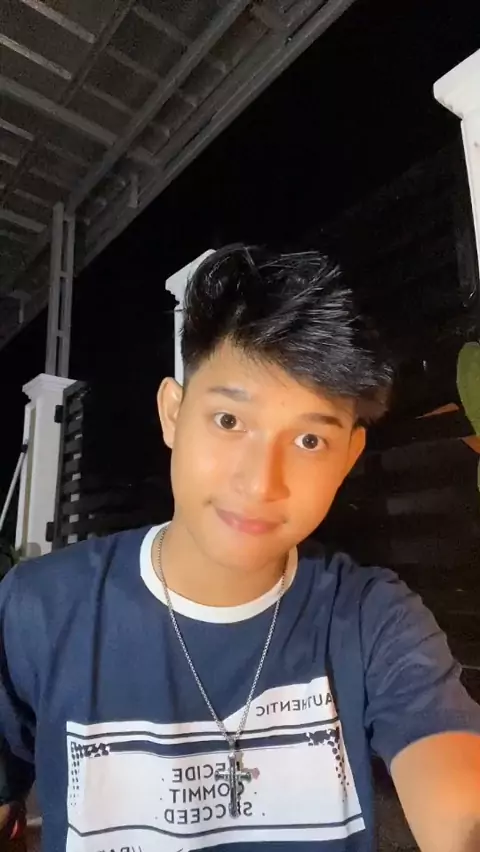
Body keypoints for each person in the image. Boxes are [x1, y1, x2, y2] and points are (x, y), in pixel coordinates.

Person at [1, 246, 479, 852]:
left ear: (349, 458)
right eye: (229, 421)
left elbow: (459, 800)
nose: (260, 483)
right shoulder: (41, 610)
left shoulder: (372, 620)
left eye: (309, 440)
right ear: (173, 415)